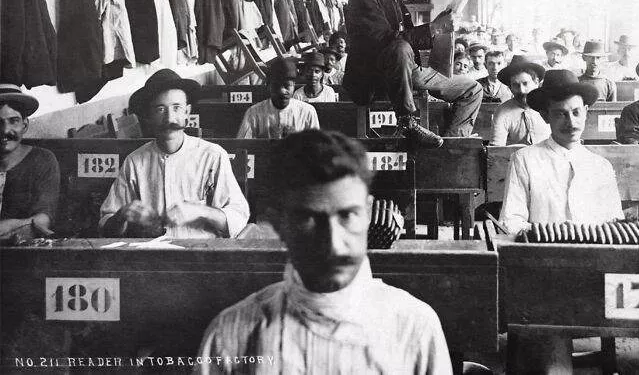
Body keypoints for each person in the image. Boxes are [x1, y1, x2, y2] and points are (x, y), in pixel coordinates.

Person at [195, 130, 452, 374]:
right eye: (309, 218)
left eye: (348, 215)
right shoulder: (231, 335)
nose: (333, 243)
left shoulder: (414, 327)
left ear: (367, 213)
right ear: (278, 225)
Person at [344, 0, 483, 147]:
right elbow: (387, 41)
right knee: (400, 47)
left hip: (408, 68)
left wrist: (443, 28)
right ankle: (407, 121)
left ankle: (451, 147)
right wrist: (433, 28)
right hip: (375, 75)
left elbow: (408, 35)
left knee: (473, 89)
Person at [100, 69, 250, 238]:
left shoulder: (212, 156)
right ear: (149, 115)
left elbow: (238, 218)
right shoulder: (135, 162)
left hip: (202, 256)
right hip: (150, 257)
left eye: (177, 108)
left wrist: (201, 211)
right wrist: (122, 216)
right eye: (160, 109)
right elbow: (106, 221)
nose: (169, 118)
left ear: (187, 112)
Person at [499, 70, 624, 233]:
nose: (571, 122)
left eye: (576, 112)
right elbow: (510, 221)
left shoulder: (601, 166)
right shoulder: (525, 159)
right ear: (545, 116)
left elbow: (613, 221)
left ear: (586, 111)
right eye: (560, 114)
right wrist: (553, 232)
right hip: (542, 252)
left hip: (593, 253)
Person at [0, 84, 59, 239]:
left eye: (13, 121)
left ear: (24, 125)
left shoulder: (42, 160)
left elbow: (43, 219)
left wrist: (9, 226)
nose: (5, 130)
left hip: (25, 253)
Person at [237, 58, 320, 138]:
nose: (282, 91)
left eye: (287, 85)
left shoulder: (307, 112)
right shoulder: (254, 113)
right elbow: (243, 145)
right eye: (276, 85)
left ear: (293, 85)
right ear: (268, 86)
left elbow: (316, 147)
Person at [490, 56, 550, 146]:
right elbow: (496, 149)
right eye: (516, 85)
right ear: (510, 88)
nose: (521, 90)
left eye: (525, 83)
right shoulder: (502, 111)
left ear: (536, 82)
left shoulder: (550, 106)